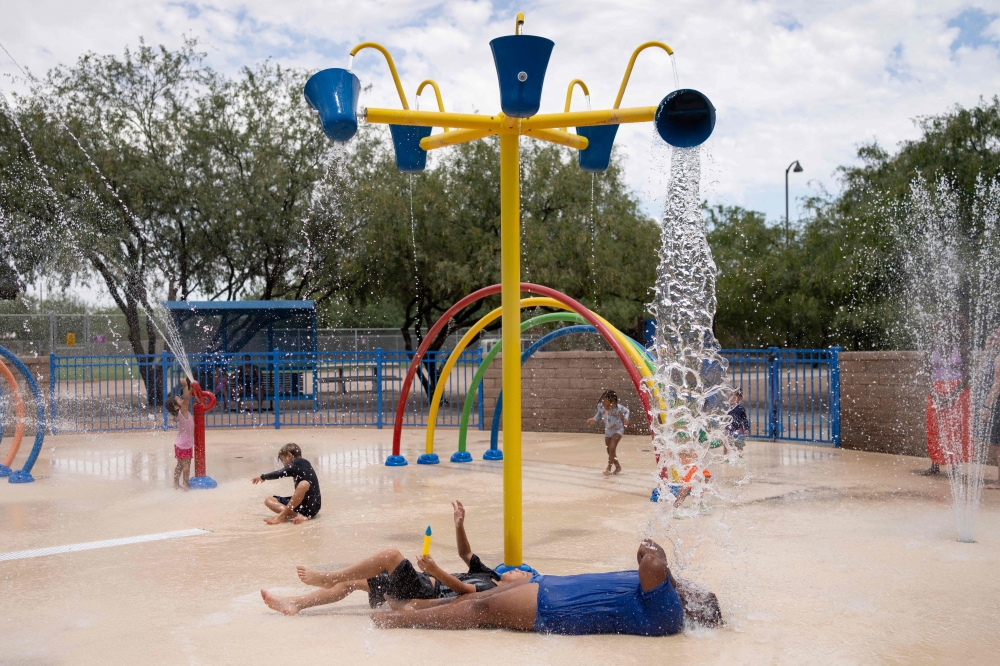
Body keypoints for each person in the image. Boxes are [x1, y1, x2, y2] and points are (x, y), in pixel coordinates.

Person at [371, 539, 722, 635]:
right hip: (552, 590)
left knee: (480, 609)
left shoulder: (670, 612)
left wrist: (675, 580)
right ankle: (416, 607)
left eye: (695, 593)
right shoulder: (663, 599)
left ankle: (400, 622)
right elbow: (646, 551)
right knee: (482, 597)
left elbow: (651, 558)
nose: (690, 588)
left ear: (695, 609)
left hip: (558, 609)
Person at [260, 500, 530, 615]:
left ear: (516, 585)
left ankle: (328, 577)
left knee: (390, 555)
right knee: (356, 582)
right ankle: (295, 603)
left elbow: (462, 590)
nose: (517, 570)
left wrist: (435, 570)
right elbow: (465, 553)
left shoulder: (490, 588)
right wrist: (459, 525)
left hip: (424, 590)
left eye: (522, 573)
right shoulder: (491, 574)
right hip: (423, 582)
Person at [923, 331, 971, 476]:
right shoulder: (933, 346)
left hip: (957, 391)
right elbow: (926, 372)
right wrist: (934, 393)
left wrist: (952, 396)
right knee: (934, 426)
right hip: (936, 389)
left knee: (954, 427)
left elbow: (968, 374)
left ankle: (955, 466)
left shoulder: (962, 347)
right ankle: (935, 464)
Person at [252, 443, 321, 524]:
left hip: (312, 505)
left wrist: (263, 477)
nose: (284, 464)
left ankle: (282, 516)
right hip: (302, 507)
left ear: (289, 455)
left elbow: (279, 473)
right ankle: (297, 515)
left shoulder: (300, 462)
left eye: (282, 460)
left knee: (304, 484)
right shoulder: (297, 467)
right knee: (269, 500)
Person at [587, 390, 630, 476]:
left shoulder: (617, 407)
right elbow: (599, 413)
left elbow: (627, 411)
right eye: (604, 402)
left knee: (612, 447)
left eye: (608, 404)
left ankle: (609, 468)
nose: (605, 405)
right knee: (609, 450)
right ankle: (618, 467)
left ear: (613, 402)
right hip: (608, 430)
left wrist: (626, 418)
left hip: (618, 429)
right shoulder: (600, 406)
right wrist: (594, 419)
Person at [979, 328, 1000, 489]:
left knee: (998, 443)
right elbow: (979, 370)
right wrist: (987, 349)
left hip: (997, 404)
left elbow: (997, 385)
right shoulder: (994, 355)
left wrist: (986, 406)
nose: (995, 334)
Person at [165, 378, 194, 490]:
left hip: (179, 444)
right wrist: (185, 386)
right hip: (185, 444)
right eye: (179, 400)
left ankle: (175, 483)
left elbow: (189, 396)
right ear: (176, 407)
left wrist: (193, 387)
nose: (182, 400)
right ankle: (185, 485)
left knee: (180, 465)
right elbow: (187, 397)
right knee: (186, 466)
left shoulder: (180, 413)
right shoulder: (183, 411)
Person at [725, 388, 749, 462]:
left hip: (739, 429)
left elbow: (744, 419)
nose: (733, 399)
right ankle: (726, 458)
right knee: (726, 444)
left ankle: (740, 458)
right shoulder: (728, 408)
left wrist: (746, 428)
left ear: (740, 398)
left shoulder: (741, 409)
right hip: (729, 429)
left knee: (739, 444)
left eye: (735, 397)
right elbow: (724, 418)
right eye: (732, 397)